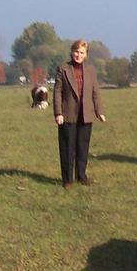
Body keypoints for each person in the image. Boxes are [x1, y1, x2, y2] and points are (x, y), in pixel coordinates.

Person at [53, 39, 106, 188]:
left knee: (83, 148)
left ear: (86, 54)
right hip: (67, 114)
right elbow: (57, 92)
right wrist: (58, 113)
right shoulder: (62, 68)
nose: (78, 55)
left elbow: (95, 92)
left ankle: (81, 176)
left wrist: (99, 111)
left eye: (82, 52)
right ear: (71, 52)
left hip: (86, 114)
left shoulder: (90, 70)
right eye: (76, 51)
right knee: (67, 148)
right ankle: (67, 180)